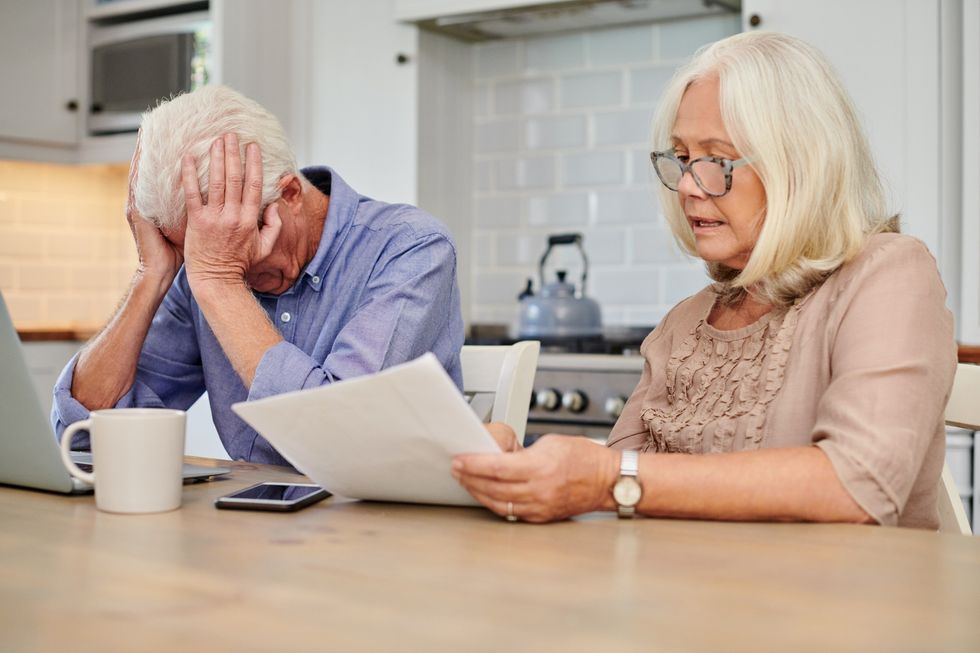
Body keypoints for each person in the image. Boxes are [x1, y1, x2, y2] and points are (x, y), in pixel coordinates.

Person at [453, 31, 957, 529]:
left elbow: (858, 487)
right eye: (682, 159)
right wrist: (522, 470)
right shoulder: (685, 321)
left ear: (800, 165)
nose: (690, 186)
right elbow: (620, 477)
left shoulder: (888, 273)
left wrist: (606, 479)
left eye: (716, 161)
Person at [53, 85, 464, 466]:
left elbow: (339, 443)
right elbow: (84, 437)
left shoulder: (412, 248)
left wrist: (220, 282)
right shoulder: (202, 264)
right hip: (250, 529)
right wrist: (152, 274)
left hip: (381, 529)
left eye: (235, 239)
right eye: (201, 250)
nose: (224, 260)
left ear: (289, 195)